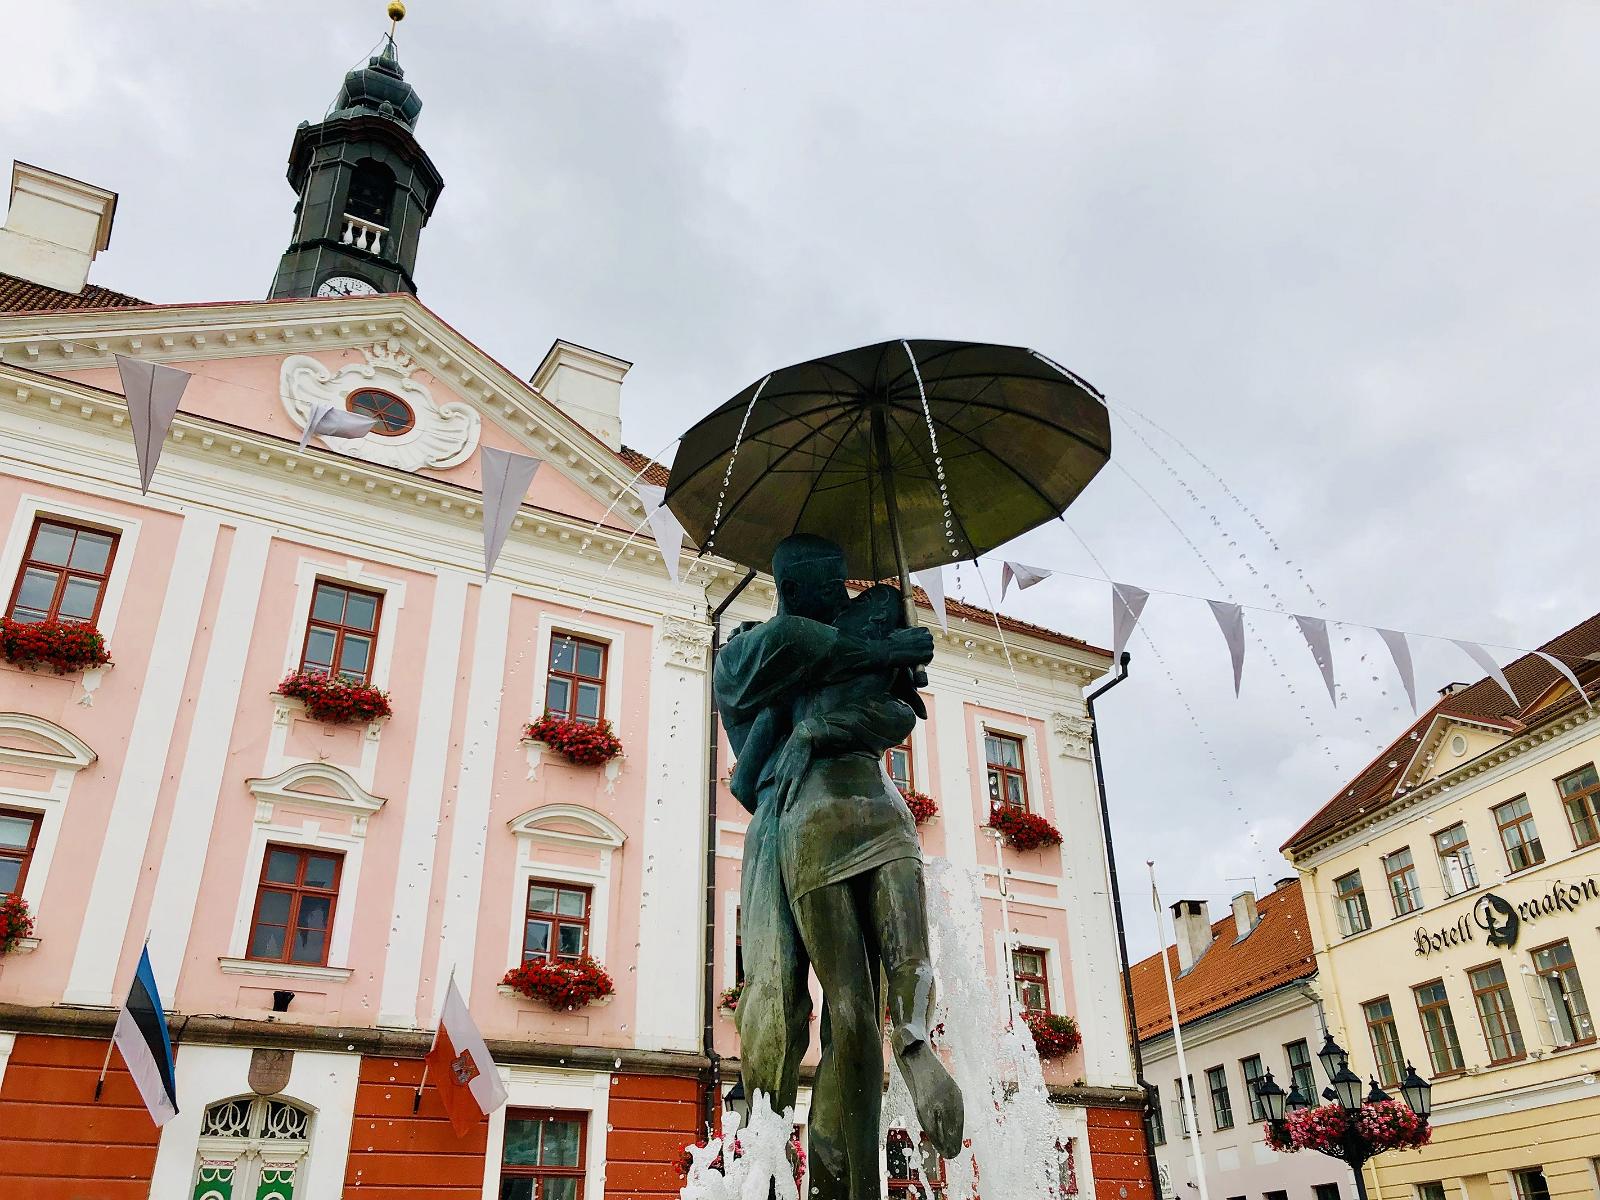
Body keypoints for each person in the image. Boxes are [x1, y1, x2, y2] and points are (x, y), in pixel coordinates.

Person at [715, 534, 963, 1200]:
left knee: (853, 1013)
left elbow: (890, 715)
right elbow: (801, 647)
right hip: (778, 822)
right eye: (830, 588)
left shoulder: (844, 632)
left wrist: (883, 669)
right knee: (776, 998)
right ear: (798, 589)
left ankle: (844, 1182)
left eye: (843, 588)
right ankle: (765, 1152)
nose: (840, 599)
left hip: (835, 804)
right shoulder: (748, 646)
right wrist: (886, 650)